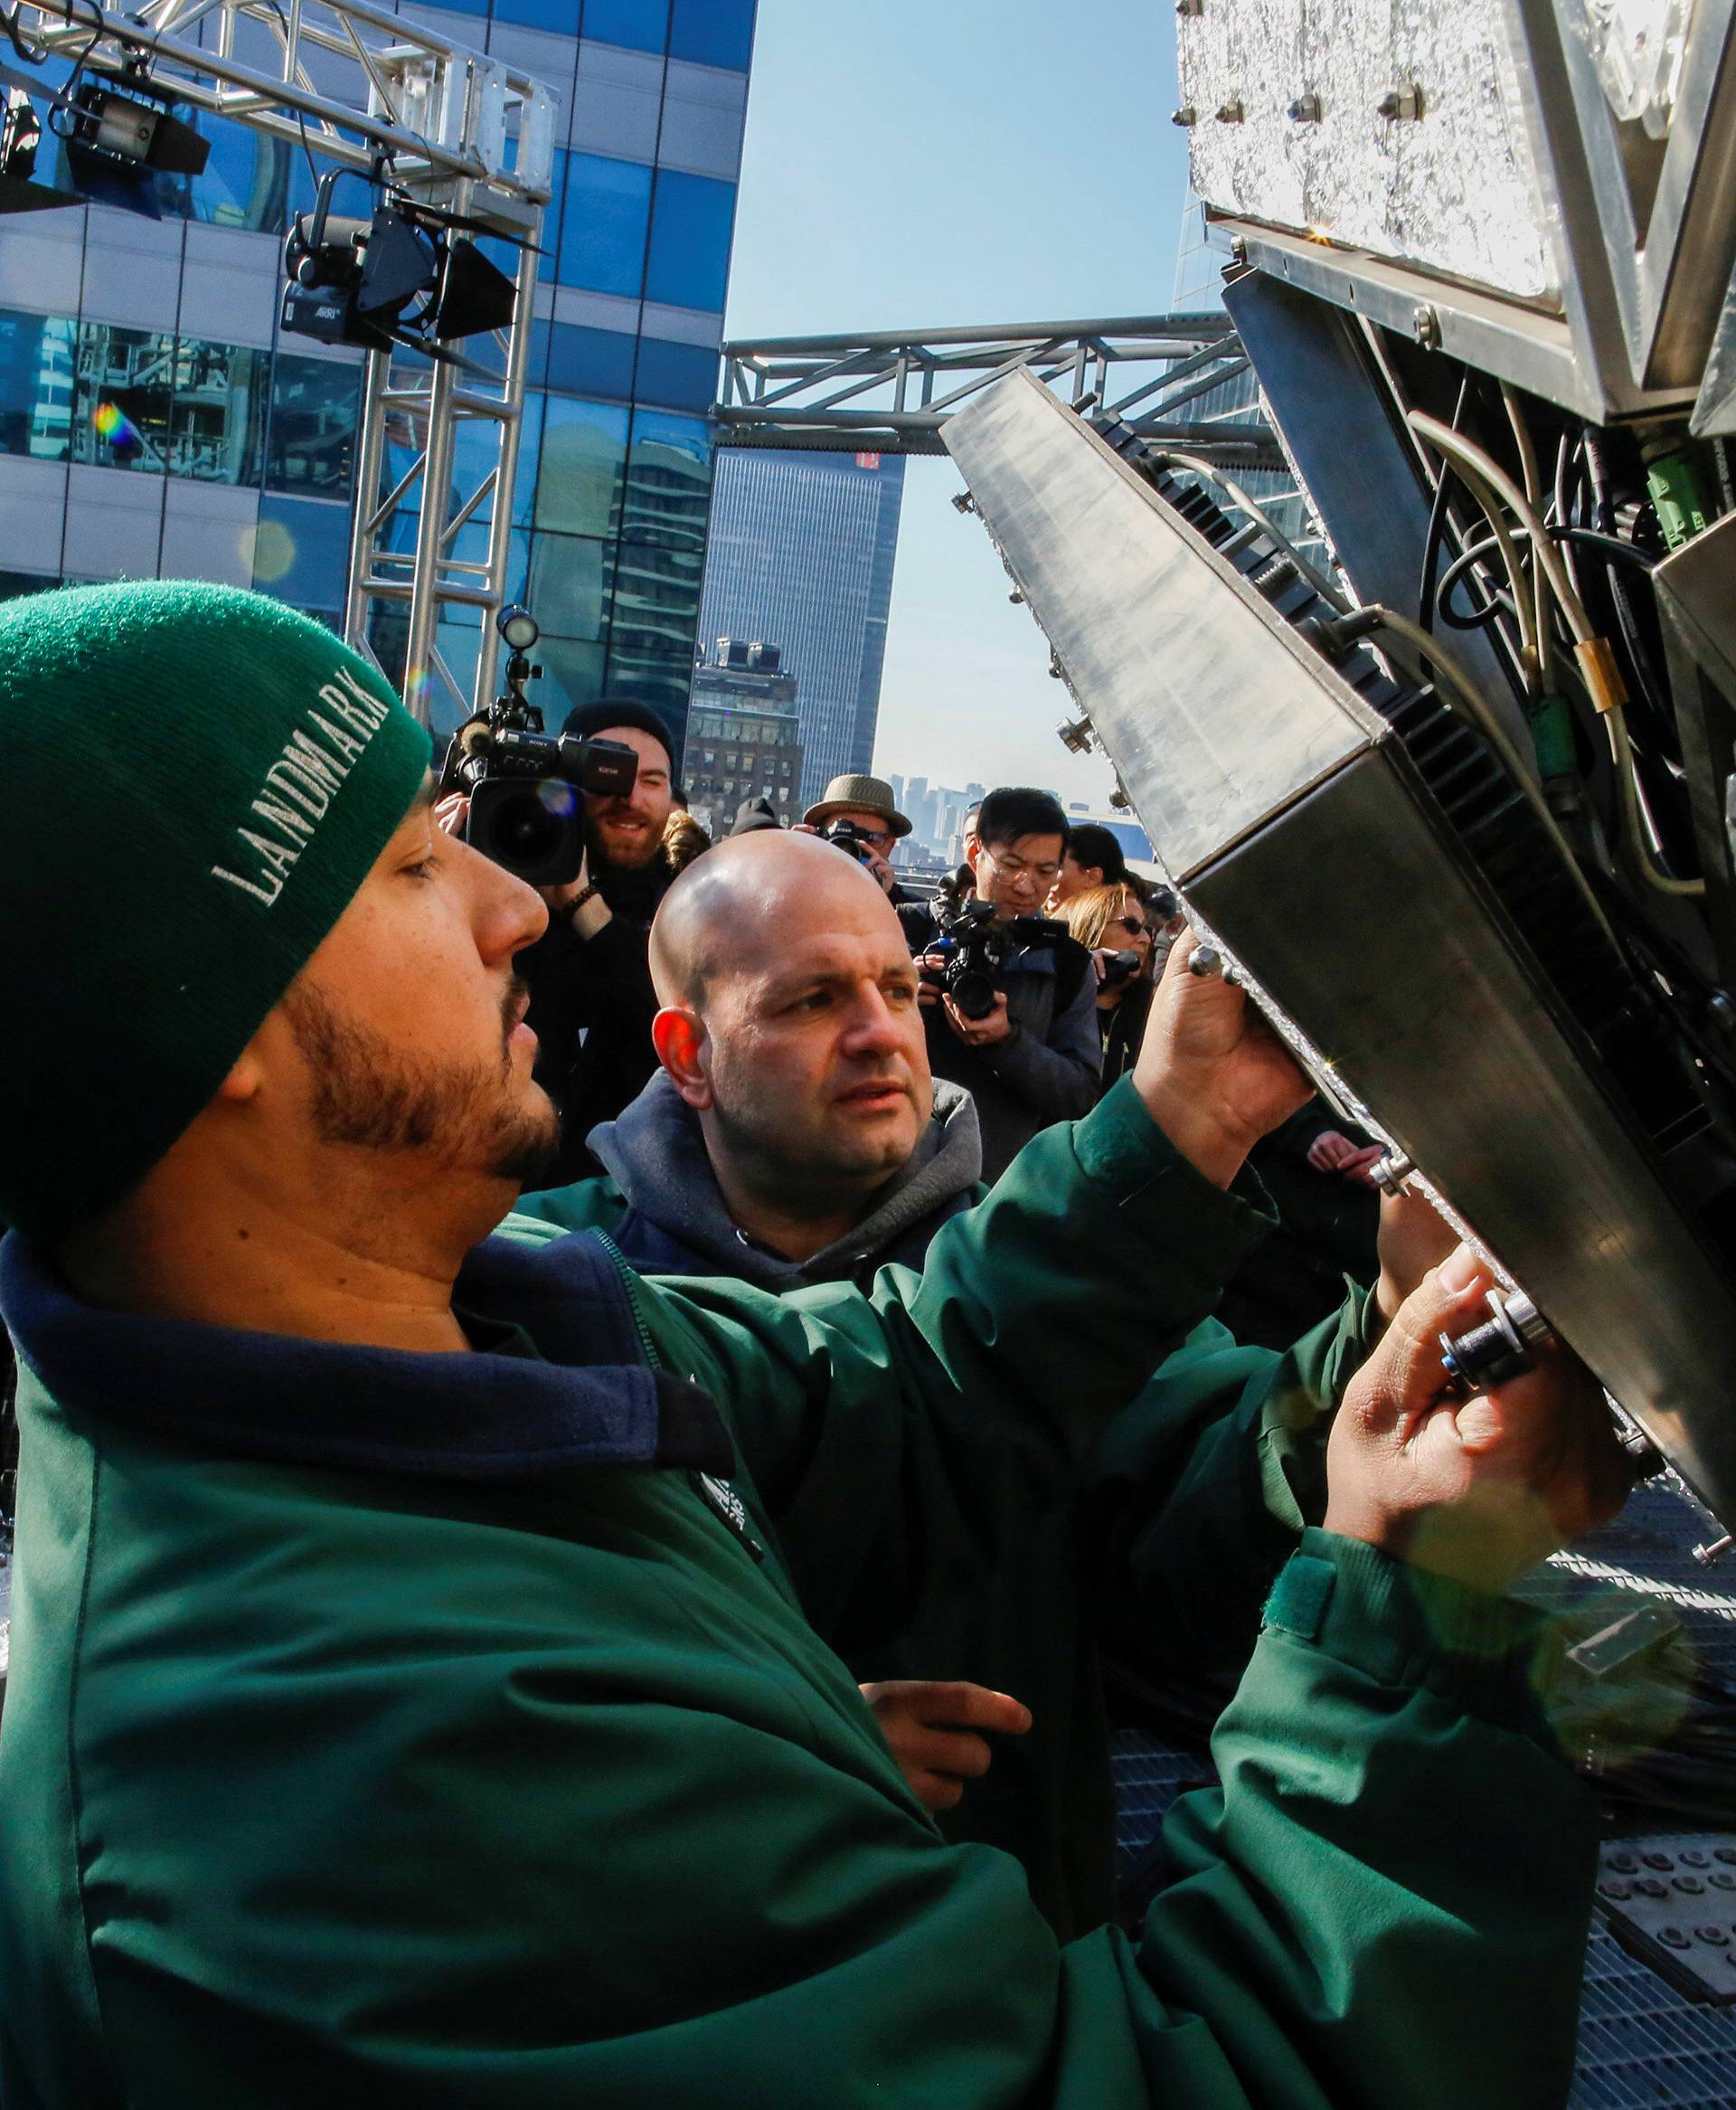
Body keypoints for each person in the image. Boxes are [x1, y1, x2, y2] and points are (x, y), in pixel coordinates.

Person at [0, 580, 1628, 2110]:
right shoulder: (350, 1766)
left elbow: (917, 1388)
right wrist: (1409, 1602)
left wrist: (1190, 1107)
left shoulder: (481, 1338)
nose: (512, 903)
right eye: (412, 870)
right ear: (207, 1035)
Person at [507, 848, 1448, 1933]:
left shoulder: (1069, 1270)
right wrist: (747, 1754)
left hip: (1005, 1949)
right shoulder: (566, 1288)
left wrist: (1388, 1330)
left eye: (899, 987)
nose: (880, 1032)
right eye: (813, 999)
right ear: (688, 1053)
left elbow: (1203, 1512)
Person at [510, 695, 680, 1183]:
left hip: (619, 1206)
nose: (630, 797)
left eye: (652, 780)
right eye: (609, 772)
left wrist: (584, 906)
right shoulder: (502, 893)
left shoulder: (691, 904)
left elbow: (682, 1021)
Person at [901, 784, 1100, 1180]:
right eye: (1010, 865)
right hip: (892, 1167)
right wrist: (892, 993)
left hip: (993, 1187)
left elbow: (1080, 1096)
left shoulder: (1068, 964)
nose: (1026, 886)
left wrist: (1008, 1043)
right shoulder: (906, 928)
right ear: (976, 853)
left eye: (1046, 872)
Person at [1055, 880, 1156, 1091]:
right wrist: (1075, 975)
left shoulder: (1153, 1009)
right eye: (1132, 926)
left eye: (1147, 929)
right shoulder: (1052, 996)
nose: (1145, 939)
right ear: (1092, 927)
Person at [800, 771, 913, 900]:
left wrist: (882, 900)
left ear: (890, 846)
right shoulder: (794, 890)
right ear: (817, 837)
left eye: (871, 839)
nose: (851, 850)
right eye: (839, 838)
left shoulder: (913, 915)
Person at [1050, 819, 1127, 905]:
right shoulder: (1037, 914)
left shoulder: (1123, 916)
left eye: (1058, 867)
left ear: (1093, 877)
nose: (1047, 877)